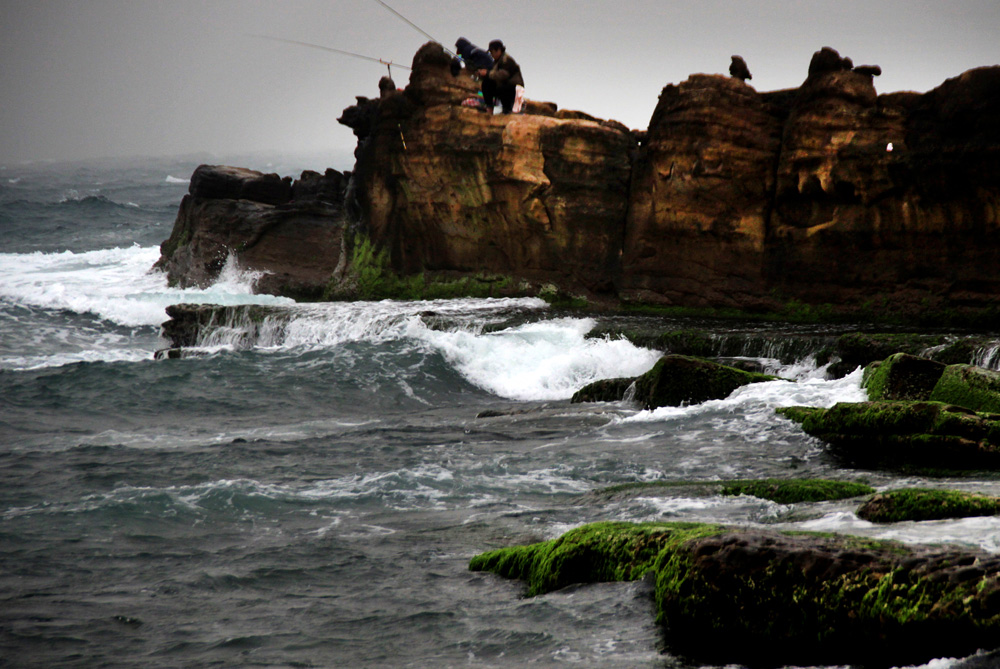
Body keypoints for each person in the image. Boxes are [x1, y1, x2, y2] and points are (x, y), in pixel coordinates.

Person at [479, 39, 524, 114]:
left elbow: (503, 75)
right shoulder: (497, 61)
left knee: (502, 88)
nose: (491, 55)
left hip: (515, 88)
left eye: (492, 52)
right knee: (486, 83)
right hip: (506, 87)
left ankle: (507, 109)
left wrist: (487, 73)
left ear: (498, 50)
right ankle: (489, 109)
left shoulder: (506, 60)